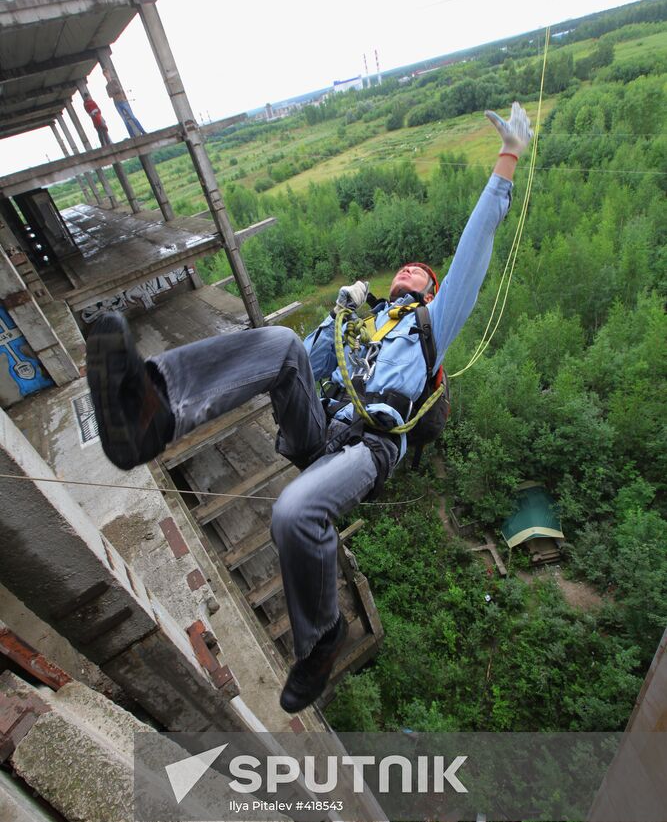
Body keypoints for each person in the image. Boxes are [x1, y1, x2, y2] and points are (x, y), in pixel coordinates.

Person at [85, 103, 533, 713]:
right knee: (282, 342)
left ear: (431, 293)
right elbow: (309, 371)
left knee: (294, 514)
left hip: (368, 448)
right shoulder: (356, 322)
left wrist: (506, 162)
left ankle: (321, 641)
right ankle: (152, 410)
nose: (409, 272)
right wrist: (335, 319)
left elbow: (473, 247)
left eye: (421, 274)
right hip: (318, 429)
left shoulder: (430, 326)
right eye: (403, 268)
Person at [102, 68, 146, 138]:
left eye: (107, 73)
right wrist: (115, 91)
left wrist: (114, 92)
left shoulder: (114, 81)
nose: (106, 75)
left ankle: (142, 131)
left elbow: (119, 89)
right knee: (125, 120)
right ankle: (132, 135)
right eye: (105, 74)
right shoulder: (107, 86)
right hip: (116, 104)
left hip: (123, 101)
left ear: (109, 73)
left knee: (132, 117)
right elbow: (110, 95)